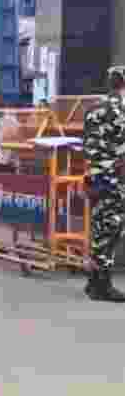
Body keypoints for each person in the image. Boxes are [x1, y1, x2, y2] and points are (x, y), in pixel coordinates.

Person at [82, 65, 125, 302]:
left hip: (95, 176)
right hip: (114, 178)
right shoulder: (121, 110)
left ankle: (93, 282)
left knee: (99, 227)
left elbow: (87, 144)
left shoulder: (93, 108)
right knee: (110, 229)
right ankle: (102, 285)